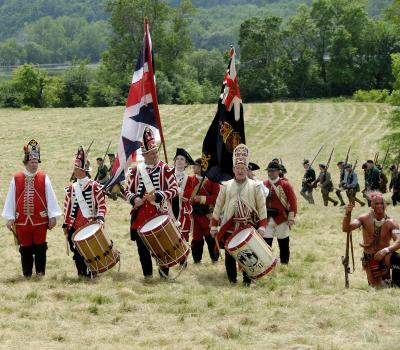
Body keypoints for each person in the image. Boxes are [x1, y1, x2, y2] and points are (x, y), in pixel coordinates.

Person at [125, 127, 178, 279]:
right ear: (145, 155)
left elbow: (174, 189)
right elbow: (127, 190)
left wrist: (159, 196)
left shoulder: (165, 169)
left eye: (156, 152)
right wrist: (134, 199)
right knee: (142, 248)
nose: (155, 155)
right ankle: (147, 275)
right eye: (152, 153)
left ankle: (163, 275)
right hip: (141, 215)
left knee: (162, 246)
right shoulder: (136, 171)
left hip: (159, 213)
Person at [2, 140, 61, 277]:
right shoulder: (16, 178)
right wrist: (10, 217)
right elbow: (11, 198)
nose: (34, 165)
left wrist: (52, 216)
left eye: (36, 162)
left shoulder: (44, 177)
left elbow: (50, 197)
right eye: (32, 162)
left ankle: (40, 273)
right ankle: (27, 273)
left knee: (41, 247)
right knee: (25, 248)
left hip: (40, 220)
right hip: (22, 221)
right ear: (25, 163)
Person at [211, 144, 267, 285]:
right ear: (233, 170)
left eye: (243, 169)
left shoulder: (255, 186)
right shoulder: (226, 185)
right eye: (238, 168)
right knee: (230, 253)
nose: (240, 171)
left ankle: (248, 280)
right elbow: (218, 206)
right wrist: (213, 225)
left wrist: (263, 226)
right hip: (230, 226)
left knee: (248, 254)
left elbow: (262, 207)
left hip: (248, 225)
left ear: (247, 170)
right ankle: (232, 280)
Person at [63, 145, 107, 277]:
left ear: (82, 170)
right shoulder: (72, 188)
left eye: (76, 169)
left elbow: (101, 205)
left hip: (89, 224)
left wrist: (100, 218)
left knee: (90, 252)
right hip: (74, 225)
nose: (74, 171)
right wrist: (65, 224)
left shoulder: (94, 186)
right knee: (76, 252)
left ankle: (92, 272)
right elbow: (67, 207)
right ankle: (81, 273)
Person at [342, 192, 400, 287]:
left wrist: (385, 250)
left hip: (385, 257)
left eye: (382, 203)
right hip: (370, 258)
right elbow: (346, 228)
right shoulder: (364, 218)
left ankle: (395, 284)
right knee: (377, 287)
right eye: (376, 203)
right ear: (372, 205)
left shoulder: (391, 222)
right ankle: (384, 282)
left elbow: (399, 241)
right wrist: (347, 214)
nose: (380, 206)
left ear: (385, 205)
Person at [263, 161, 297, 264]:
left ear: (278, 171)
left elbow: (293, 202)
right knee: (266, 243)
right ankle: (267, 263)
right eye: (269, 171)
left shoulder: (285, 185)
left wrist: (291, 218)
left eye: (273, 171)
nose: (270, 173)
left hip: (281, 218)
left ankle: (284, 262)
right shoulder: (264, 184)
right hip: (267, 219)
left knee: (283, 243)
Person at [190, 158, 220, 263]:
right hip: (196, 214)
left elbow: (217, 196)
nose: (193, 167)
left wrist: (202, 199)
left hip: (207, 215)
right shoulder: (191, 180)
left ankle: (214, 258)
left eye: (196, 165)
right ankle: (196, 259)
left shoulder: (212, 180)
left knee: (210, 237)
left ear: (202, 167)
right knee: (196, 238)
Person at [172, 148, 195, 242]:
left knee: (182, 241)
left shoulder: (189, 179)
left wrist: (175, 191)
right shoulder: (168, 175)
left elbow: (187, 196)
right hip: (169, 211)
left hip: (182, 213)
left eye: (182, 159)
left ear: (186, 163)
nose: (179, 161)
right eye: (177, 159)